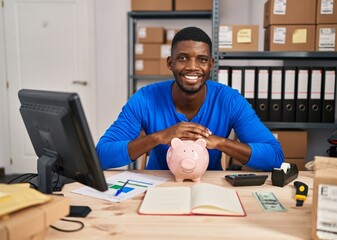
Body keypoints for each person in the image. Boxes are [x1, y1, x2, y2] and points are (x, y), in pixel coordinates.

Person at [96, 26, 284, 171]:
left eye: (202, 60)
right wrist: (159, 137)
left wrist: (221, 143)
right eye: (183, 58)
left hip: (209, 186)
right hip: (158, 184)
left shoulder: (230, 100)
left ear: (211, 65)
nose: (192, 67)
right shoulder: (144, 98)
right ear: (170, 63)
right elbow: (101, 155)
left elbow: (274, 156)